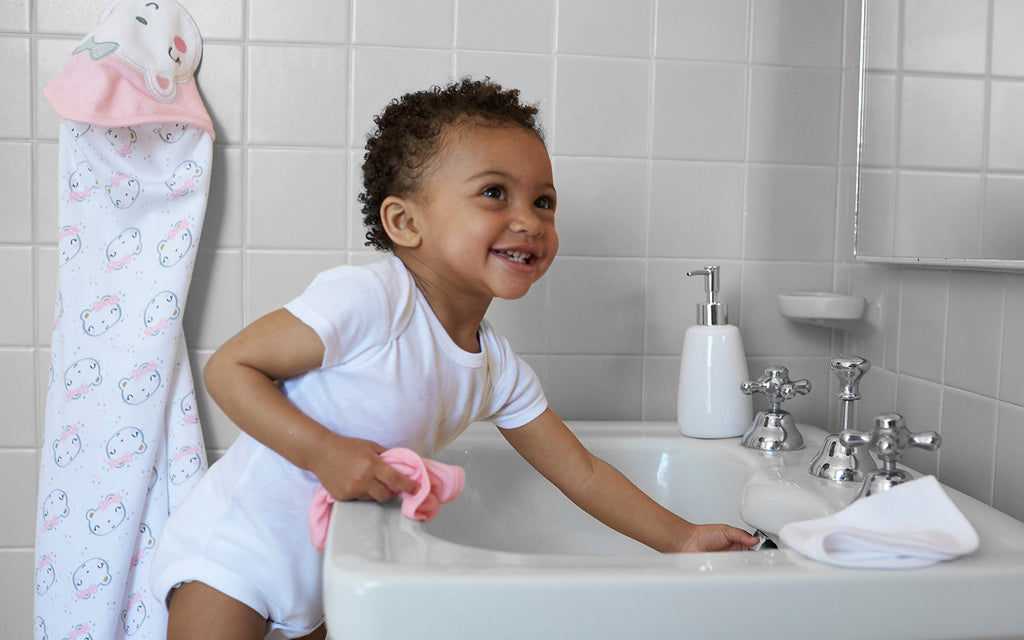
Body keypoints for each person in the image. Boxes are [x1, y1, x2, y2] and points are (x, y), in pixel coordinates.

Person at [151, 78, 758, 640]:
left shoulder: (495, 366)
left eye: (543, 201)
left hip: (326, 572)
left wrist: (681, 539)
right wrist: (324, 452)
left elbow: (582, 473)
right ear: (405, 222)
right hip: (235, 554)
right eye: (495, 193)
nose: (529, 219)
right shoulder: (373, 299)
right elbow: (231, 368)